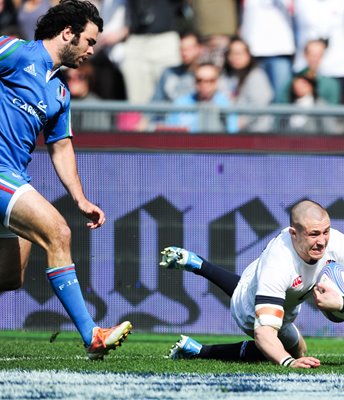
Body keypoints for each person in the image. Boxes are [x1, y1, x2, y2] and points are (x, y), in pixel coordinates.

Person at [0, 0, 131, 359]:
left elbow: (60, 148)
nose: (92, 50)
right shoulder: (14, 51)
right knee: (58, 233)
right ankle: (92, 334)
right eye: (89, 41)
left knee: (10, 275)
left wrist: (80, 198)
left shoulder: (59, 91)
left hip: (14, 174)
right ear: (68, 33)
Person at [159, 199, 344, 368]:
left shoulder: (335, 241)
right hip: (249, 310)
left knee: (291, 337)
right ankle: (200, 351)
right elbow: (263, 333)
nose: (322, 242)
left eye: (326, 232)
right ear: (293, 233)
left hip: (272, 290)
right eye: (314, 234)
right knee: (295, 349)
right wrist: (288, 362)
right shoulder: (279, 263)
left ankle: (198, 264)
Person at [162, 62, 237, 133]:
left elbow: (232, 134)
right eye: (199, 80)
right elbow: (171, 132)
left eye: (210, 81)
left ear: (217, 82)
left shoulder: (226, 104)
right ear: (194, 81)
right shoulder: (180, 103)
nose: (204, 85)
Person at [152, 30, 207, 103]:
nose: (184, 53)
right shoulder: (168, 73)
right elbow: (156, 102)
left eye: (189, 49)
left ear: (200, 48)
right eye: (182, 49)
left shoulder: (208, 76)